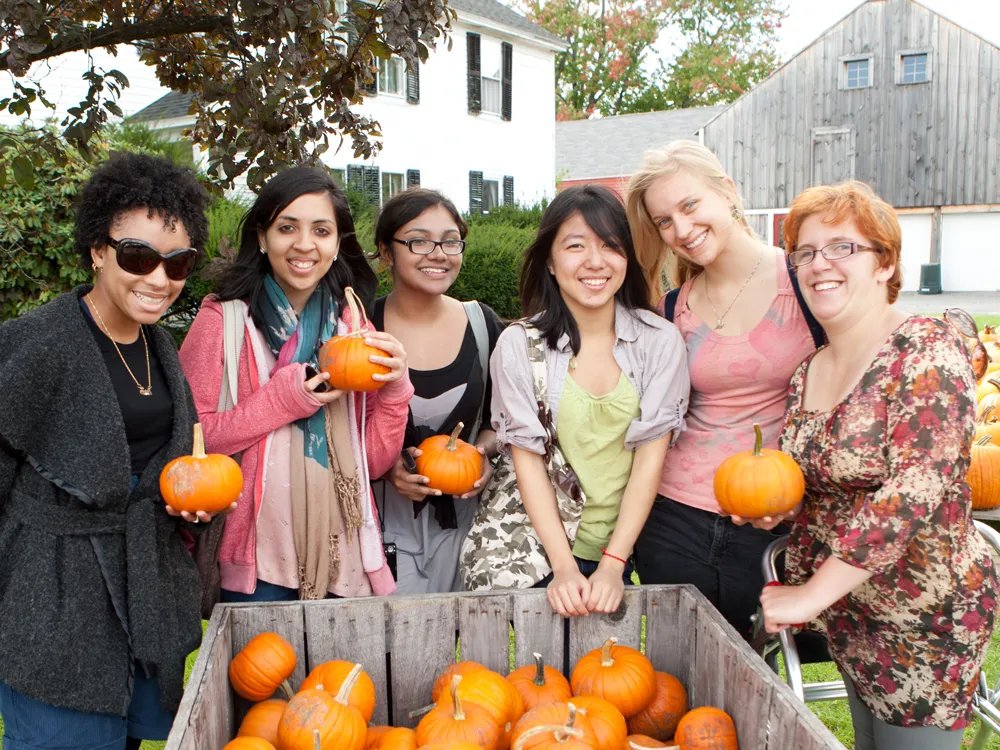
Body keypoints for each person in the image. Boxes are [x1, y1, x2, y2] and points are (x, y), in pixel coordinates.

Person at [760, 181, 997, 750]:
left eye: (843, 247)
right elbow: (821, 481)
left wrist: (810, 593)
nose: (821, 265)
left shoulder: (925, 349)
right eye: (806, 253)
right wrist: (775, 505)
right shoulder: (808, 370)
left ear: (885, 264)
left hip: (922, 618)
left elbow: (915, 488)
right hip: (850, 615)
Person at [0, 153, 220, 749]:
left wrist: (186, 504)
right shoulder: (36, 343)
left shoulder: (162, 348)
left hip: (142, 585)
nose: (159, 278)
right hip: (53, 594)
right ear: (98, 250)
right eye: (138, 256)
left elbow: (171, 463)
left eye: (178, 263)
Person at [179, 166, 411, 602]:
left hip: (343, 554)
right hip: (258, 563)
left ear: (337, 243)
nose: (305, 244)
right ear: (263, 237)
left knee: (339, 674)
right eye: (288, 228)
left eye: (321, 230)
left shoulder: (352, 327)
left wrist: (397, 389)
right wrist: (285, 399)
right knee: (260, 671)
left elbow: (374, 463)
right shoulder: (223, 321)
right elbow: (193, 440)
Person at [625, 140, 820, 638]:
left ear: (726, 193)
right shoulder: (672, 309)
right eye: (664, 221)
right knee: (678, 665)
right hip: (673, 518)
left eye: (689, 205)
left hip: (769, 521)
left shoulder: (803, 282)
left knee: (755, 677)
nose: (681, 230)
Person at [489, 184, 689, 617]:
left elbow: (650, 459)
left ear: (627, 258)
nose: (595, 262)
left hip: (630, 546)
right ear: (550, 260)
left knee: (623, 675)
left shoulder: (659, 341)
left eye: (610, 246)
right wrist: (563, 568)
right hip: (541, 548)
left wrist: (614, 562)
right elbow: (527, 461)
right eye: (576, 246)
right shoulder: (518, 345)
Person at [369, 189, 505, 594]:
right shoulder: (360, 325)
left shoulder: (483, 326)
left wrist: (483, 454)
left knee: (467, 649)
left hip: (467, 524)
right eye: (419, 240)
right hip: (382, 527)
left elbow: (506, 419)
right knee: (392, 646)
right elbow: (338, 426)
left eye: (450, 240)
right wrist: (386, 465)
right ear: (387, 252)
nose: (438, 253)